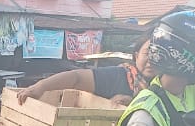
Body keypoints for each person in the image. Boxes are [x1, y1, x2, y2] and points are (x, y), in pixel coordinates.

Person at [17, 38, 153, 106]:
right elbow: (77, 78)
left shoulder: (170, 86)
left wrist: (132, 103)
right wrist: (40, 87)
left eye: (158, 54)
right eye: (148, 53)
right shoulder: (119, 75)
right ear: (136, 55)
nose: (152, 60)